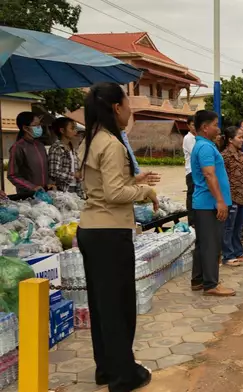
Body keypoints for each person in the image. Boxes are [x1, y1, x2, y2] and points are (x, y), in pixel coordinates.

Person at [77, 82, 160, 391]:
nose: (130, 111)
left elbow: (102, 184)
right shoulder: (111, 143)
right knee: (119, 306)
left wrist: (131, 180)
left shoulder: (91, 139)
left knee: (102, 304)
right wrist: (146, 190)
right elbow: (114, 193)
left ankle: (107, 368)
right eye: (128, 105)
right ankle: (124, 374)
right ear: (116, 108)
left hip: (92, 230)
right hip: (110, 232)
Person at [190, 110, 235, 296]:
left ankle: (198, 280)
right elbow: (209, 175)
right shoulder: (206, 148)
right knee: (211, 245)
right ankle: (211, 284)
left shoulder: (205, 145)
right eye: (215, 124)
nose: (218, 128)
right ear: (204, 127)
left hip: (205, 203)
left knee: (203, 243)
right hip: (209, 204)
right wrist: (220, 201)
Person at [221, 126, 243, 266]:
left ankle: (238, 252)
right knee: (228, 227)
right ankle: (228, 255)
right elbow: (221, 178)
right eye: (239, 137)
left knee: (239, 227)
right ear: (230, 139)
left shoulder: (241, 155)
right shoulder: (224, 156)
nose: (242, 140)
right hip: (231, 197)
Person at [8, 112, 54, 194]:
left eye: (40, 124)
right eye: (36, 125)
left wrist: (50, 182)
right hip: (27, 196)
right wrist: (31, 187)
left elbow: (46, 168)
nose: (40, 127)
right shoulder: (18, 147)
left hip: (44, 193)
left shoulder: (40, 146)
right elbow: (12, 175)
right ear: (25, 128)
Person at [48, 117, 85, 198]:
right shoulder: (56, 148)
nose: (75, 131)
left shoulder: (72, 147)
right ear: (62, 131)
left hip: (76, 187)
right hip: (63, 189)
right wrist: (73, 175)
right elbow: (53, 172)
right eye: (72, 128)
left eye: (75, 128)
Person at [183, 115, 196, 227]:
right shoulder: (188, 138)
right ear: (188, 126)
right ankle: (191, 222)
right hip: (191, 171)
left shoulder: (196, 138)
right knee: (191, 196)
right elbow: (196, 153)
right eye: (192, 125)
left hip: (197, 171)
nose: (195, 127)